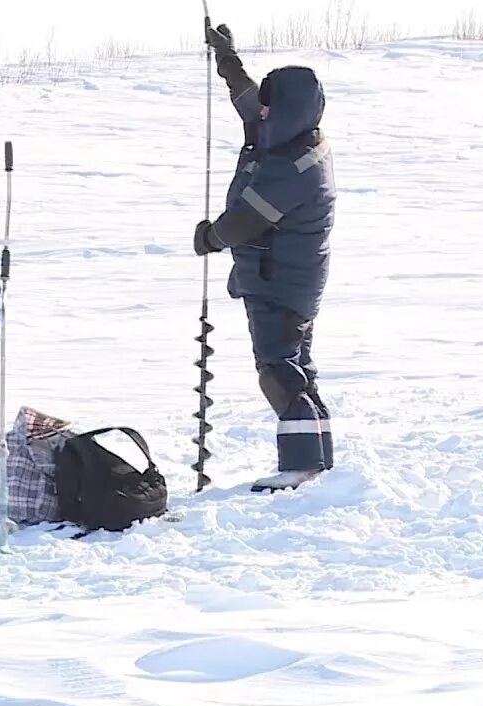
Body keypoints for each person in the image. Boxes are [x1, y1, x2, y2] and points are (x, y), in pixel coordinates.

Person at [195, 24, 336, 488]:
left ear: (290, 108)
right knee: (294, 365)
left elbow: (246, 219)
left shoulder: (297, 166)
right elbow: (250, 101)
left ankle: (301, 465)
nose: (265, 109)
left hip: (282, 281)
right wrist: (228, 60)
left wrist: (211, 237)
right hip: (282, 277)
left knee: (277, 368)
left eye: (274, 102)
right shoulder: (286, 134)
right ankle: (318, 459)